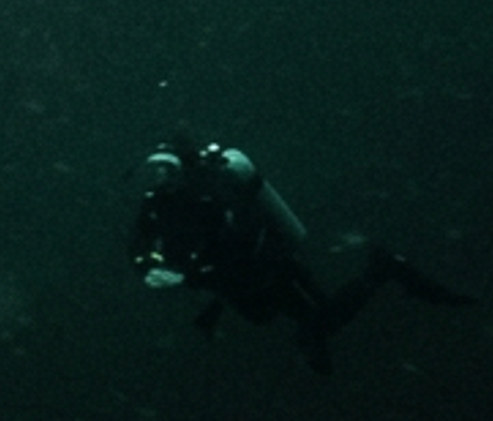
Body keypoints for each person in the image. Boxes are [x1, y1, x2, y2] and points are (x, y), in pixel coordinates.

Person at [128, 133, 471, 372]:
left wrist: (191, 272)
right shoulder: (155, 206)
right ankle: (373, 279)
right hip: (235, 285)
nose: (156, 179)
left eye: (163, 170)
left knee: (316, 321)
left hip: (268, 270)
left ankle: (379, 270)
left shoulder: (210, 194)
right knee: (286, 319)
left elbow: (241, 238)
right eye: (150, 172)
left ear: (177, 170)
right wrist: (148, 267)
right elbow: (139, 244)